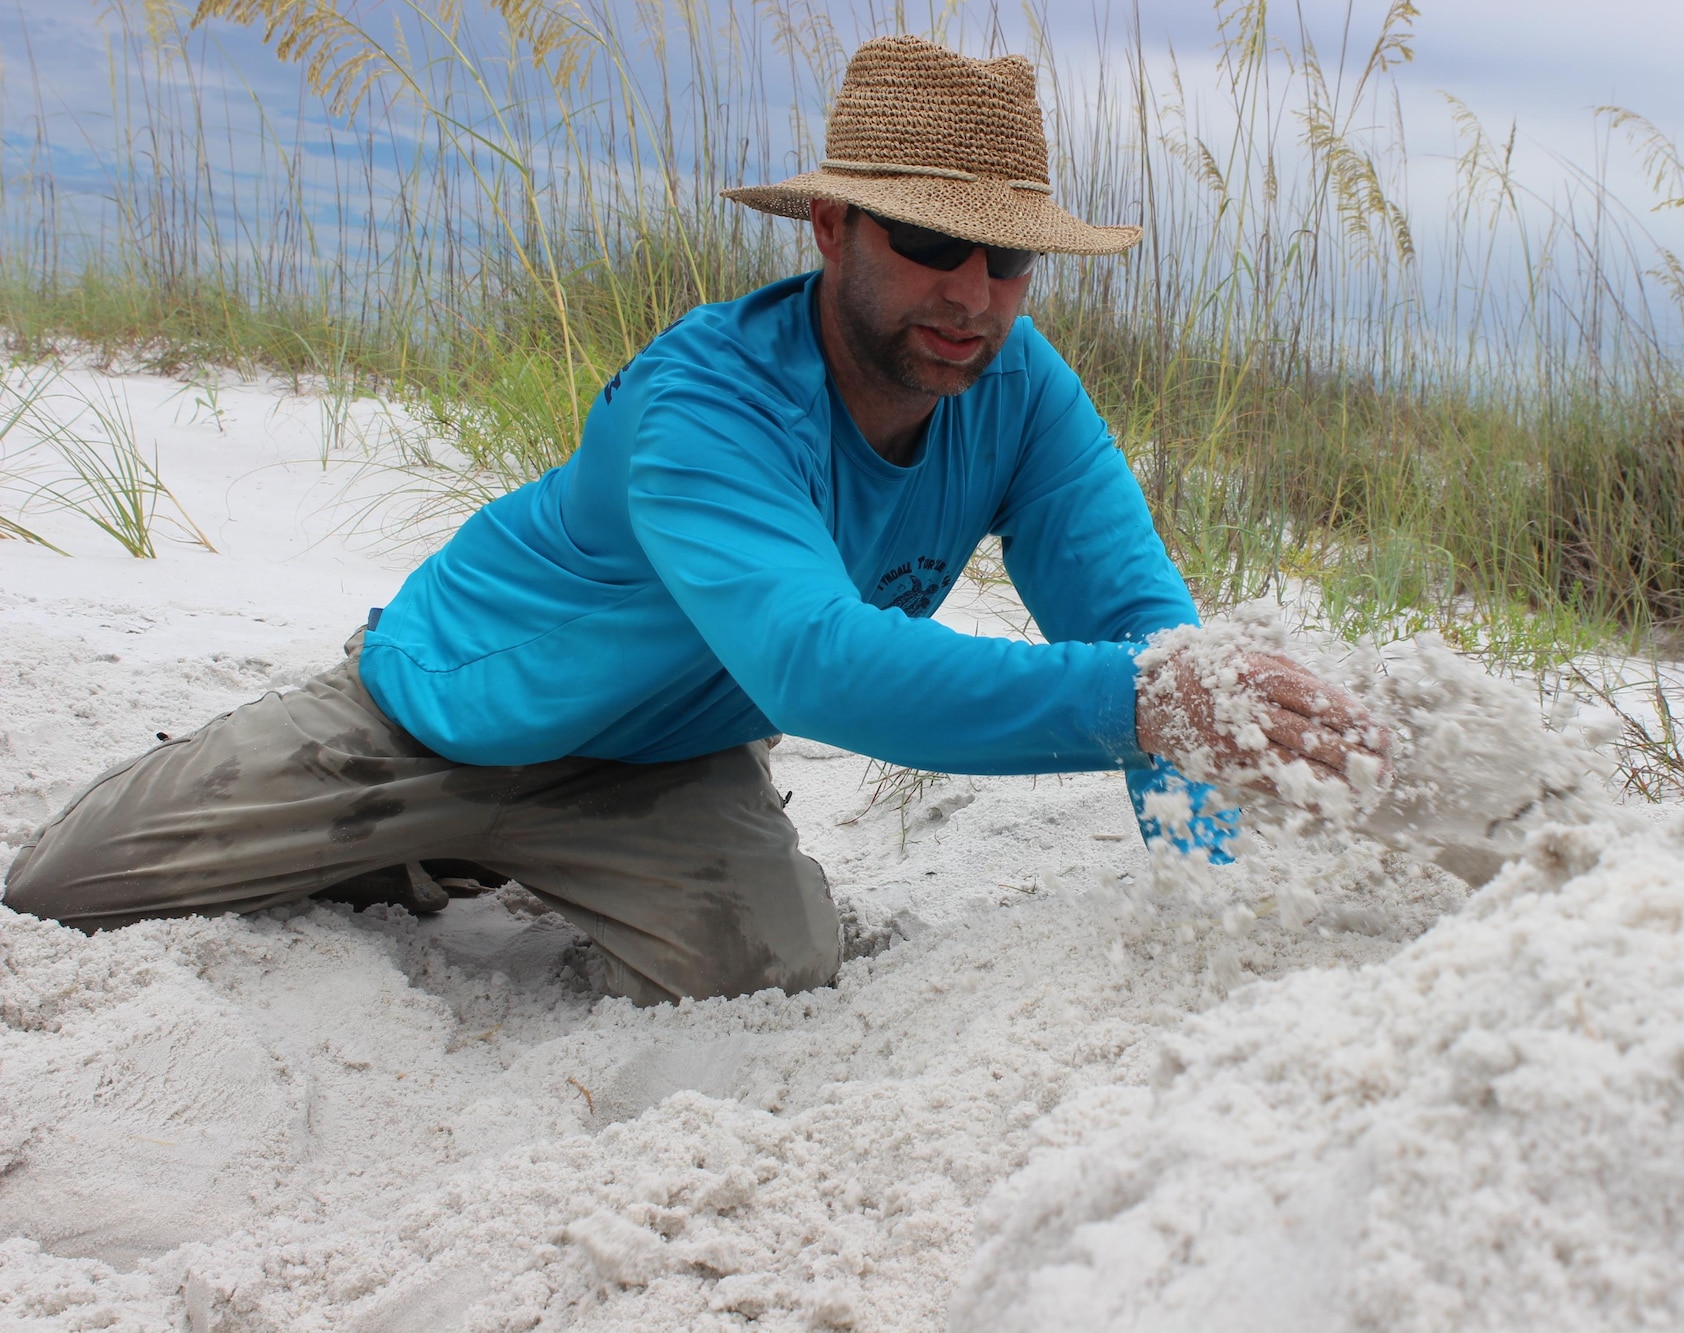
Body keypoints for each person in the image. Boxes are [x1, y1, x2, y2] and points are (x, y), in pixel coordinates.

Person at [3, 36, 1388, 1004]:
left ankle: (501, 860)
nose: (973, 293)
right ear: (832, 227)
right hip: (434, 718)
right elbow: (818, 664)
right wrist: (1155, 701)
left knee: (774, 966)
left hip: (660, 764)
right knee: (61, 885)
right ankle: (401, 840)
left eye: (1008, 255)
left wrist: (1221, 891)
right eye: (927, 243)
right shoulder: (701, 402)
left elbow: (1148, 639)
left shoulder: (1021, 394)